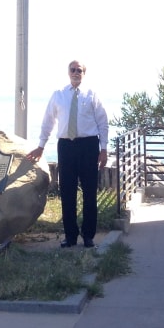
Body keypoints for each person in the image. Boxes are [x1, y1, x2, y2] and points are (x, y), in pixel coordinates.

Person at [27, 60, 108, 248]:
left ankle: (88, 236)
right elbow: (48, 121)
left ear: (84, 74)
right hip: (66, 147)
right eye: (73, 70)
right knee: (67, 192)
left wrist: (103, 149)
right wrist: (41, 146)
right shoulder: (59, 96)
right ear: (68, 72)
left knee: (89, 192)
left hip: (88, 146)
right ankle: (70, 236)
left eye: (79, 70)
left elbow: (103, 122)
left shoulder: (92, 95)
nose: (76, 73)